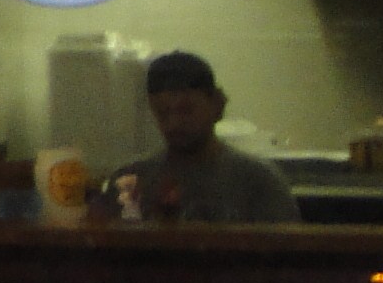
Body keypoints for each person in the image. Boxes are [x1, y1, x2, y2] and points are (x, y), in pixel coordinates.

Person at [119, 51, 297, 224]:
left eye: (186, 111)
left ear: (218, 104)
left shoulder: (259, 183)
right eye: (163, 113)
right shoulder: (131, 183)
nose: (174, 123)